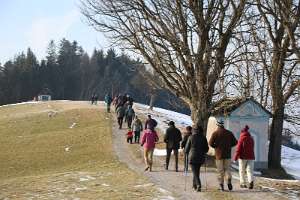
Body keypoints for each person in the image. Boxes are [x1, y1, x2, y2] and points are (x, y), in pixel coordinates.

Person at [209, 120, 237, 191]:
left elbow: (210, 143)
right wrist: (229, 146)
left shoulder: (215, 133)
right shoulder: (229, 133)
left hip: (219, 155)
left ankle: (221, 185)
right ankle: (229, 180)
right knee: (227, 169)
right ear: (223, 125)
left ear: (217, 125)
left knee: (220, 170)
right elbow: (235, 142)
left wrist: (216, 146)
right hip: (227, 154)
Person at [185, 125, 209, 192]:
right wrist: (203, 151)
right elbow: (206, 149)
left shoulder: (191, 137)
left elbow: (186, 149)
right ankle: (194, 185)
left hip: (192, 157)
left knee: (195, 172)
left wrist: (186, 152)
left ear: (194, 130)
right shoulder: (203, 138)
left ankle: (198, 185)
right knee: (196, 171)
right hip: (201, 157)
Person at [234, 125, 255, 189]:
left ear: (242, 132)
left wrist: (235, 158)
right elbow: (252, 148)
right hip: (251, 157)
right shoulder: (251, 138)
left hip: (243, 157)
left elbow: (238, 149)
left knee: (242, 171)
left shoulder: (241, 138)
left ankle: (243, 184)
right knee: (250, 171)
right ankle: (251, 181)